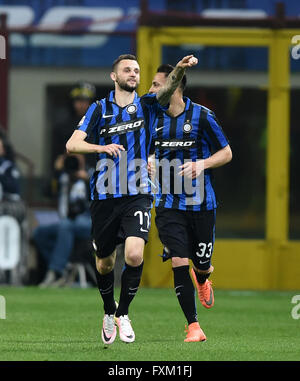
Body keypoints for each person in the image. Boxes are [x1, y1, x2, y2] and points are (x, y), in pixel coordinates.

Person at [66, 53, 198, 345]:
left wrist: (179, 68)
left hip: (138, 192)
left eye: (137, 70)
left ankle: (123, 313)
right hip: (104, 195)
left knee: (135, 254)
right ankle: (108, 310)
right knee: (104, 263)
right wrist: (101, 148)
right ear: (114, 77)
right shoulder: (99, 109)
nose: (133, 74)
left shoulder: (148, 105)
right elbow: (72, 144)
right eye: (127, 70)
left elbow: (167, 88)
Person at [148, 64, 232, 342]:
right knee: (178, 260)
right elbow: (145, 148)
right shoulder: (153, 118)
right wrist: (149, 161)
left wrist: (203, 164)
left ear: (175, 86)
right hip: (168, 204)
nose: (151, 90)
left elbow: (227, 152)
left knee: (201, 264)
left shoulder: (203, 116)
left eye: (156, 85)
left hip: (201, 205)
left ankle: (204, 278)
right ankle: (193, 326)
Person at [32, 154, 92, 287]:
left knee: (65, 226)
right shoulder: (62, 177)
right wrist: (57, 171)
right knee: (39, 233)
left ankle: (56, 272)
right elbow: (46, 192)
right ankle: (63, 267)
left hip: (88, 221)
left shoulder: (90, 173)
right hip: (65, 221)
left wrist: (88, 181)